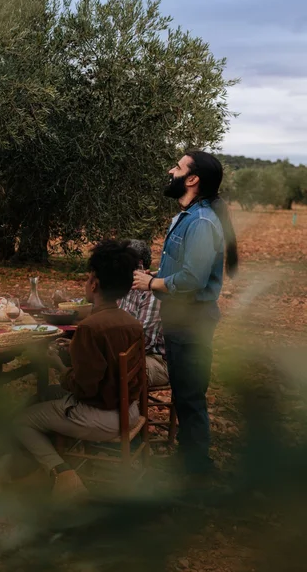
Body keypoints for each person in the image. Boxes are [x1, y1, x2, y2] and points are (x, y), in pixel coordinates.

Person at [132, 150, 238, 477]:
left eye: (177, 167)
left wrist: (152, 283)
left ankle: (197, 472)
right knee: (185, 394)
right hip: (181, 322)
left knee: (190, 399)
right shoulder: (189, 216)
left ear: (192, 179)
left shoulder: (202, 222)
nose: (170, 170)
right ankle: (190, 463)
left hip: (192, 323)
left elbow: (193, 279)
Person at [14, 240, 144, 498]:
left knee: (20, 420)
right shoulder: (132, 323)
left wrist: (60, 365)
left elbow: (85, 387)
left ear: (94, 283)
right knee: (44, 395)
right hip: (129, 409)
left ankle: (63, 474)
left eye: (88, 278)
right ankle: (38, 468)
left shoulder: (89, 328)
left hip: (103, 416)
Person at [118, 239, 169, 387]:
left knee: (115, 371)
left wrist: (109, 349)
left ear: (139, 264)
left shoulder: (154, 292)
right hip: (128, 353)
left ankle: (125, 410)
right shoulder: (126, 287)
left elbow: (143, 339)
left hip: (156, 360)